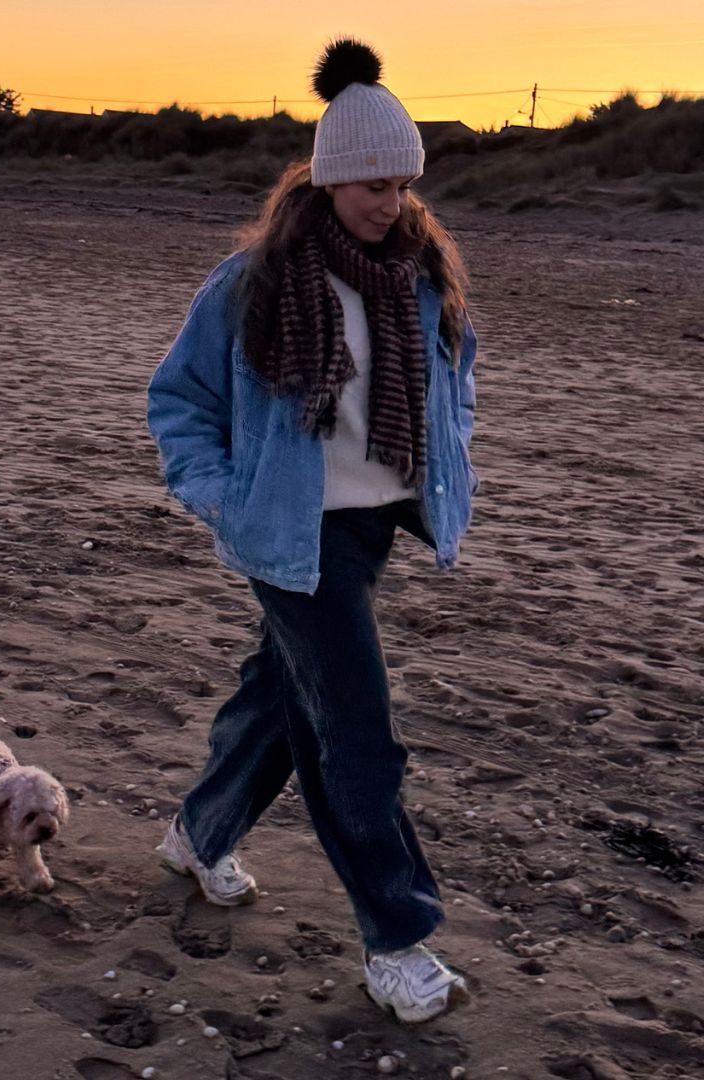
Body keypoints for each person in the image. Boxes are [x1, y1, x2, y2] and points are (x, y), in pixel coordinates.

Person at [146, 38, 479, 1025]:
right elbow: (178, 401)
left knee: (287, 696)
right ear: (331, 177)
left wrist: (450, 467)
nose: (392, 202)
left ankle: (199, 837)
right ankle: (397, 938)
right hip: (292, 535)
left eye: (405, 182)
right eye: (374, 183)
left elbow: (456, 389)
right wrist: (221, 495)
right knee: (356, 735)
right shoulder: (255, 283)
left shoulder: (423, 275)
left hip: (374, 522)